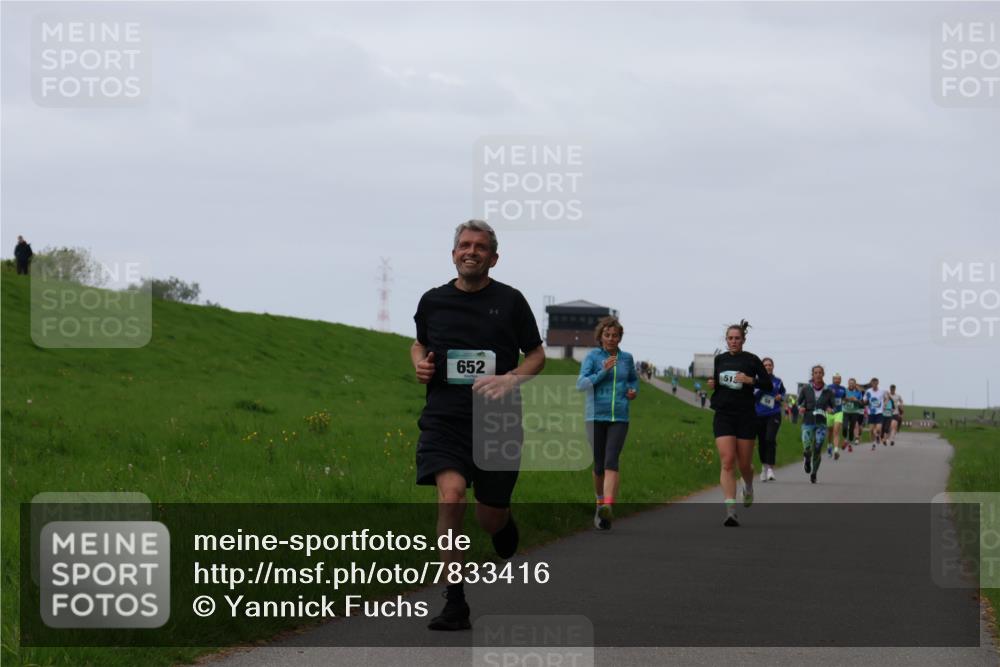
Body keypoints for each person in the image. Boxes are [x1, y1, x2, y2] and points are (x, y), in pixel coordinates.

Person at [412, 220, 545, 631]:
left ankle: (503, 520)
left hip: (498, 422)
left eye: (481, 247)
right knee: (451, 498)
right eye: (465, 245)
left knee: (488, 519)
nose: (472, 251)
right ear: (454, 254)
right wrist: (418, 361)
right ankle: (455, 602)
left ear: (493, 257)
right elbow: (418, 342)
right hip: (445, 419)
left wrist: (511, 378)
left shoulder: (510, 301)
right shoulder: (433, 301)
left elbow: (537, 355)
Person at [706, 320, 772, 526]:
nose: (733, 342)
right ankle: (731, 510)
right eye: (730, 338)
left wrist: (750, 380)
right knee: (727, 461)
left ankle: (749, 486)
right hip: (723, 414)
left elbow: (768, 385)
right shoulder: (720, 359)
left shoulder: (752, 360)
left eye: (737, 338)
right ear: (726, 340)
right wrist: (713, 384)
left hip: (745, 416)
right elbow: (717, 382)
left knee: (744, 464)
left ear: (743, 340)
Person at [577, 317, 638, 531]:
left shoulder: (627, 358)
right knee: (599, 464)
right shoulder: (592, 357)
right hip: (594, 416)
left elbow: (632, 379)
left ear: (620, 337)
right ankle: (599, 502)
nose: (611, 339)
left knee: (612, 461)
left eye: (615, 335)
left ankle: (608, 507)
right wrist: (603, 371)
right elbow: (581, 384)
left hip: (619, 417)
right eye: (608, 335)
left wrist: (633, 390)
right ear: (601, 336)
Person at [797, 365, 835, 483]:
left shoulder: (828, 391)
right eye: (816, 373)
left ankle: (814, 473)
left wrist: (830, 409)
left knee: (818, 447)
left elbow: (833, 406)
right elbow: (799, 403)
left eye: (820, 372)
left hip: (821, 423)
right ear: (812, 375)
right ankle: (807, 459)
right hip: (807, 422)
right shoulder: (805, 389)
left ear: (823, 374)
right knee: (807, 448)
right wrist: (801, 408)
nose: (818, 375)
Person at [754, 357, 785, 482]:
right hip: (759, 414)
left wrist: (780, 396)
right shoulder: (756, 381)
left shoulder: (778, 381)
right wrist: (761, 387)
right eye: (765, 365)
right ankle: (764, 467)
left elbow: (783, 393)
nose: (767, 367)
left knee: (770, 439)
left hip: (774, 413)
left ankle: (771, 469)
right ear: (762, 367)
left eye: (770, 365)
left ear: (773, 367)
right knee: (762, 442)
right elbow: (753, 395)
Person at [826, 374, 847, 459]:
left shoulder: (843, 389)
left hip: (838, 412)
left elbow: (844, 398)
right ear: (833, 379)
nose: (837, 380)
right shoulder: (828, 387)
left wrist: (845, 402)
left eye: (839, 379)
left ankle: (836, 450)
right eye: (836, 379)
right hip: (829, 413)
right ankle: (829, 445)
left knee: (836, 431)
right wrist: (827, 408)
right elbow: (824, 398)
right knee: (830, 432)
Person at [864, 378, 888, 450]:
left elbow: (886, 398)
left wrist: (885, 404)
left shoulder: (882, 391)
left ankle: (877, 436)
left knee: (878, 428)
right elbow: (865, 400)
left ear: (878, 383)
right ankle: (873, 443)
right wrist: (865, 401)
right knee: (871, 430)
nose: (874, 385)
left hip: (879, 412)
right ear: (871, 384)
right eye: (873, 383)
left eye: (875, 383)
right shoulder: (868, 391)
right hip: (871, 412)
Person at [843, 378, 865, 451]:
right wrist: (848, 399)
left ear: (855, 384)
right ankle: (845, 440)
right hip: (845, 411)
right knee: (845, 427)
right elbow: (842, 400)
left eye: (853, 383)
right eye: (850, 383)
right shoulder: (844, 391)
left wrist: (856, 400)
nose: (851, 384)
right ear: (848, 383)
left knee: (852, 428)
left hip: (854, 412)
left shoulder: (858, 392)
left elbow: (861, 403)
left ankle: (849, 443)